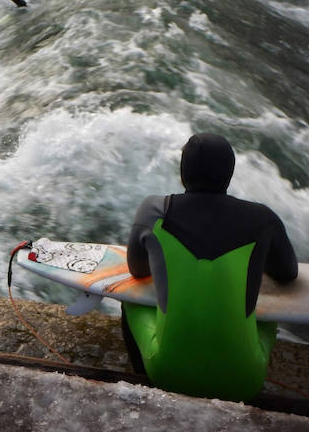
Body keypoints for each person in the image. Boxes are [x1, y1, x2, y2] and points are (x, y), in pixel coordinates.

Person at [121, 133, 298, 401]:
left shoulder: (154, 210)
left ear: (182, 174)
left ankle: (142, 378)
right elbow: (288, 274)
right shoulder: (263, 218)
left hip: (168, 374)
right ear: (230, 174)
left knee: (129, 298)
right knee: (267, 313)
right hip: (244, 381)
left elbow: (137, 270)